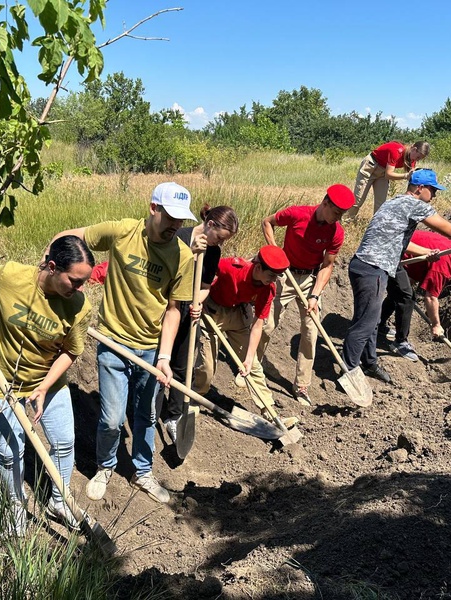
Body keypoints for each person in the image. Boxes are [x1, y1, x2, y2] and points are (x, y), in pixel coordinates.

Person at [48, 182, 195, 504]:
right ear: (153, 208)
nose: (175, 226)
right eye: (170, 216)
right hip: (112, 342)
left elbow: (173, 310)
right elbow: (69, 238)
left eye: (181, 220)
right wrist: (51, 269)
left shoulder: (182, 257)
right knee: (112, 418)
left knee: (146, 417)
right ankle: (106, 466)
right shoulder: (122, 231)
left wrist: (165, 356)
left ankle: (143, 472)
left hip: (151, 347)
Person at [0, 235, 95, 536]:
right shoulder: (10, 277)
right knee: (8, 452)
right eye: (75, 281)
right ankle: (15, 507)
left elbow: (71, 351)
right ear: (53, 267)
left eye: (84, 282)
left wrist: (43, 387)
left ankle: (60, 502)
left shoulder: (79, 306)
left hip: (50, 383)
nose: (80, 289)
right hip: (0, 382)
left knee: (64, 442)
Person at [342, 169, 451, 385]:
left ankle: (369, 363)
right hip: (373, 267)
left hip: (366, 265)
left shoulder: (395, 202)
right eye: (433, 190)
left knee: (371, 320)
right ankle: (349, 370)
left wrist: (423, 254)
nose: (435, 195)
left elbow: (399, 240)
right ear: (420, 188)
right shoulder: (414, 204)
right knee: (364, 324)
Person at [257, 184, 355, 405]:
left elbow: (327, 266)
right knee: (268, 324)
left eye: (342, 214)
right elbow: (267, 222)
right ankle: (253, 366)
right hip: (284, 274)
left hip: (309, 280)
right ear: (326, 202)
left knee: (311, 331)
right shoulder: (297, 214)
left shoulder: (336, 232)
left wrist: (315, 295)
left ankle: (301, 385)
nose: (338, 218)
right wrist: (275, 252)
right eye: (336, 212)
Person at [158, 205, 239, 442]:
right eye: (219, 238)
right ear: (210, 225)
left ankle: (174, 416)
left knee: (183, 366)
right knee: (159, 361)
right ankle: (151, 411)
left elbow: (204, 287)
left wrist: (198, 303)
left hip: (187, 310)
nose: (220, 244)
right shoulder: (179, 237)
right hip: (164, 306)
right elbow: (166, 273)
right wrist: (191, 254)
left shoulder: (213, 252)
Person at [193, 246, 292, 421]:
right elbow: (203, 268)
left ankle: (270, 413)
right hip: (213, 312)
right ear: (258, 267)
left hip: (240, 315)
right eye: (271, 275)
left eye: (277, 276)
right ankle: (195, 398)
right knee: (207, 367)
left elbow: (258, 324)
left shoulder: (268, 288)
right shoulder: (231, 267)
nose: (274, 280)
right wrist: (198, 298)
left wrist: (248, 357)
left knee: (252, 365)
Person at [378, 230, 451, 360]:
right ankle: (400, 342)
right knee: (407, 298)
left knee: (400, 293)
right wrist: (436, 325)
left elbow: (412, 271)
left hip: (391, 248)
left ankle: (378, 325)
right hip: (388, 253)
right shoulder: (443, 264)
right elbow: (430, 297)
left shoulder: (448, 246)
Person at [346, 141, 430, 220]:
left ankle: (377, 225)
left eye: (420, 159)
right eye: (418, 157)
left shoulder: (411, 159)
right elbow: (389, 174)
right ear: (414, 149)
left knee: (380, 203)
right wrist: (405, 176)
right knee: (358, 200)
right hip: (370, 167)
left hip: (382, 172)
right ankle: (346, 221)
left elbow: (412, 176)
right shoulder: (397, 151)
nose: (417, 160)